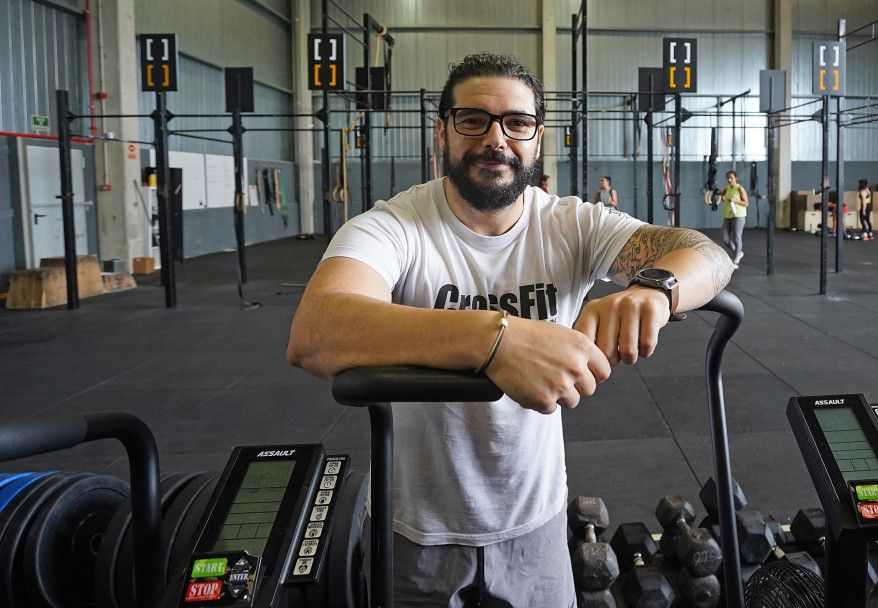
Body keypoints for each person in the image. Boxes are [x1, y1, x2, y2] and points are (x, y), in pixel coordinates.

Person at [286, 53, 733, 607]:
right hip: (413, 531)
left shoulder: (571, 224)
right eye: (473, 120)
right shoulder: (392, 226)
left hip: (535, 523)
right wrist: (497, 339)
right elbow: (315, 328)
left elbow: (708, 255)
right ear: (442, 132)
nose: (495, 139)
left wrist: (656, 289)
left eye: (516, 123)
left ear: (537, 138)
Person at [718, 170, 749, 266]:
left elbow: (746, 203)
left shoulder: (740, 189)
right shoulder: (727, 189)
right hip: (728, 215)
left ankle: (736, 261)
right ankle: (738, 252)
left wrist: (735, 200)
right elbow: (721, 196)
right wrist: (721, 198)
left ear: (736, 178)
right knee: (725, 238)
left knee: (737, 237)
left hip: (738, 215)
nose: (729, 179)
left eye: (731, 177)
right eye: (728, 178)